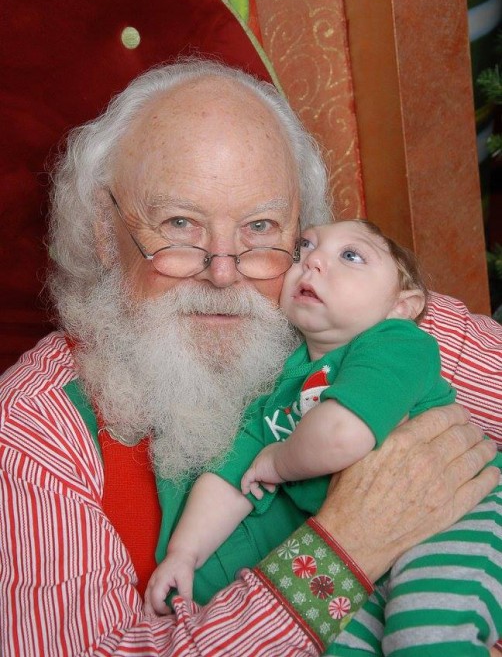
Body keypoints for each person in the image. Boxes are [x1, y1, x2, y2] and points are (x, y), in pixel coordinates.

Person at [0, 58, 500, 657]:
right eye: (180, 224)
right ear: (109, 235)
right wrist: (345, 550)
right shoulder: (34, 430)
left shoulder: (359, 316)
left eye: (260, 227)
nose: (223, 271)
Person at [145, 219, 501, 655]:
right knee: (334, 643)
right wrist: (185, 553)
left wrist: (276, 461)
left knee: (425, 631)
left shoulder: (397, 342)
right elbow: (231, 475)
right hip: (374, 553)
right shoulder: (281, 386)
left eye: (351, 256)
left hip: (463, 508)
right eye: (303, 250)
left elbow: (342, 434)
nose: (312, 260)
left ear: (402, 305)